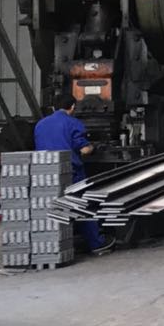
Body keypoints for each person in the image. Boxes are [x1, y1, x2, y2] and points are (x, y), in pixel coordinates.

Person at [33, 93, 112, 255]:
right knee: (84, 204)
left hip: (45, 173)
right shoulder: (72, 123)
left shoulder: (40, 124)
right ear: (73, 107)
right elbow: (84, 150)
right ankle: (97, 243)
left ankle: (52, 246)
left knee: (52, 207)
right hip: (71, 172)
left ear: (53, 107)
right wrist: (94, 147)